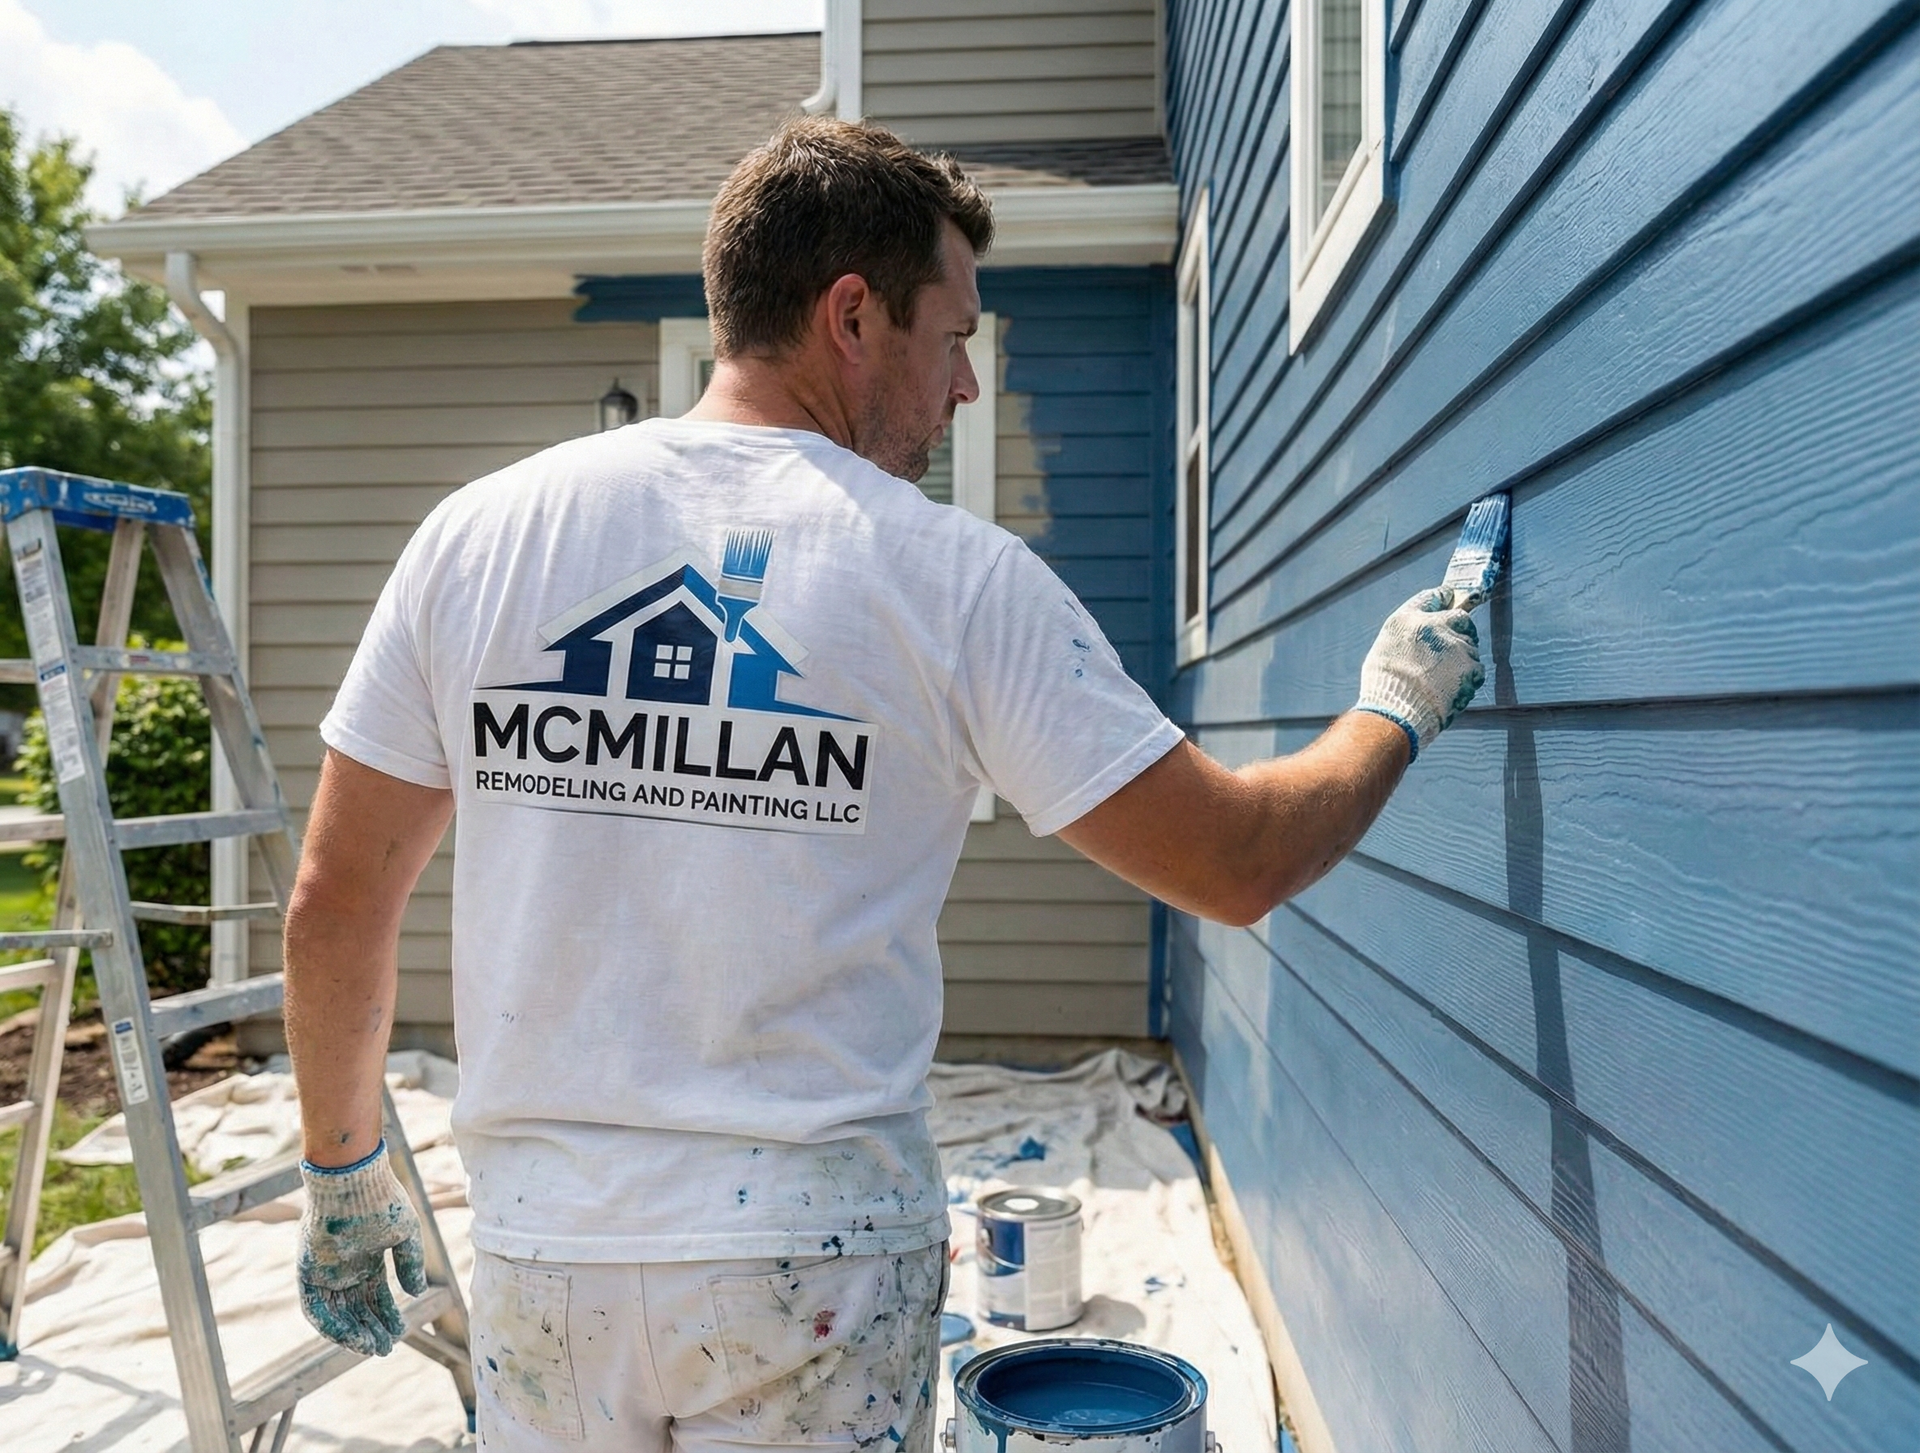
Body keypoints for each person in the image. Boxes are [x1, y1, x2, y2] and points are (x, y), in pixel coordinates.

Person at [284, 118, 1481, 1453]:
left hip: (541, 1257)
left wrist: (341, 1175)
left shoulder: (482, 536)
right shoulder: (950, 579)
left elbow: (339, 892)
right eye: (955, 334)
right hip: (810, 1263)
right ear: (853, 315)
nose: (965, 383)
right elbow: (1238, 861)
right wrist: (1397, 706)